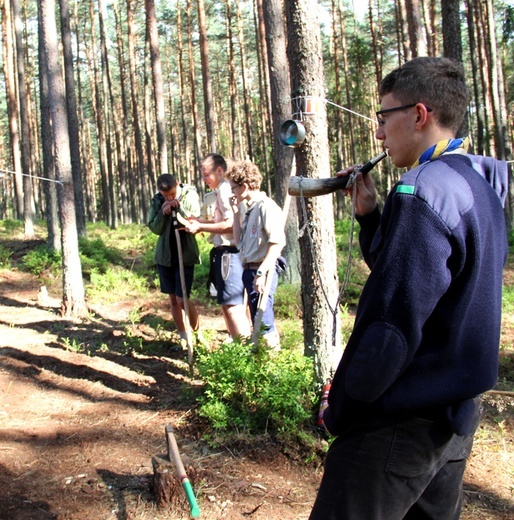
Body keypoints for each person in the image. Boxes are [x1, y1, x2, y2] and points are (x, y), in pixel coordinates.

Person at [310, 57, 509, 520]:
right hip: (454, 420)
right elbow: (424, 284)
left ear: (418, 116)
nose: (378, 133)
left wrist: (339, 408)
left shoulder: (420, 190)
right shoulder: (477, 184)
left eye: (384, 117)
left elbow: (390, 328)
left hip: (400, 424)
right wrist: (370, 217)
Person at [185, 153, 251, 339]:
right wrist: (199, 220)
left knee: (233, 306)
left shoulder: (224, 190)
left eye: (207, 174)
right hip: (222, 253)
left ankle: (244, 352)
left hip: (230, 253)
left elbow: (230, 224)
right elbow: (221, 219)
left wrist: (200, 227)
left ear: (220, 171)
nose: (204, 179)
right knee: (226, 304)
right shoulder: (219, 190)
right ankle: (238, 345)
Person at [226, 160, 286, 348]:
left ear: (243, 186)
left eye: (233, 188)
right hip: (249, 270)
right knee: (257, 323)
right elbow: (239, 242)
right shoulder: (249, 208)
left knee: (264, 323)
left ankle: (271, 367)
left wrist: (261, 273)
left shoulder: (265, 206)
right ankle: (261, 364)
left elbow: (277, 243)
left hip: (262, 271)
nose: (232, 193)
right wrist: (236, 213)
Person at [148, 174, 201, 348]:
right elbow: (154, 228)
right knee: (173, 299)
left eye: (171, 194)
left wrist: (178, 209)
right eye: (165, 195)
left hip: (185, 254)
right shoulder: (157, 200)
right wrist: (163, 211)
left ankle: (197, 333)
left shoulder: (189, 194)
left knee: (182, 298)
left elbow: (194, 220)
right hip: (165, 256)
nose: (169, 198)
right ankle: (183, 337)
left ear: (177, 184)